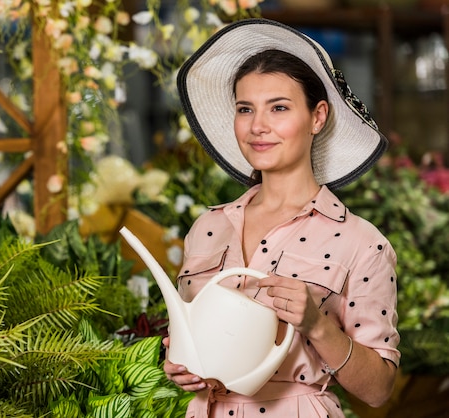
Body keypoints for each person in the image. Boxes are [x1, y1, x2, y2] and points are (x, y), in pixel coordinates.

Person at [164, 19, 400, 418]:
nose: (258, 126)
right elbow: (192, 344)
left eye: (279, 107)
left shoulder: (362, 242)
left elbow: (379, 390)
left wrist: (318, 325)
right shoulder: (207, 228)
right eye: (245, 109)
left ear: (318, 117)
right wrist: (182, 366)